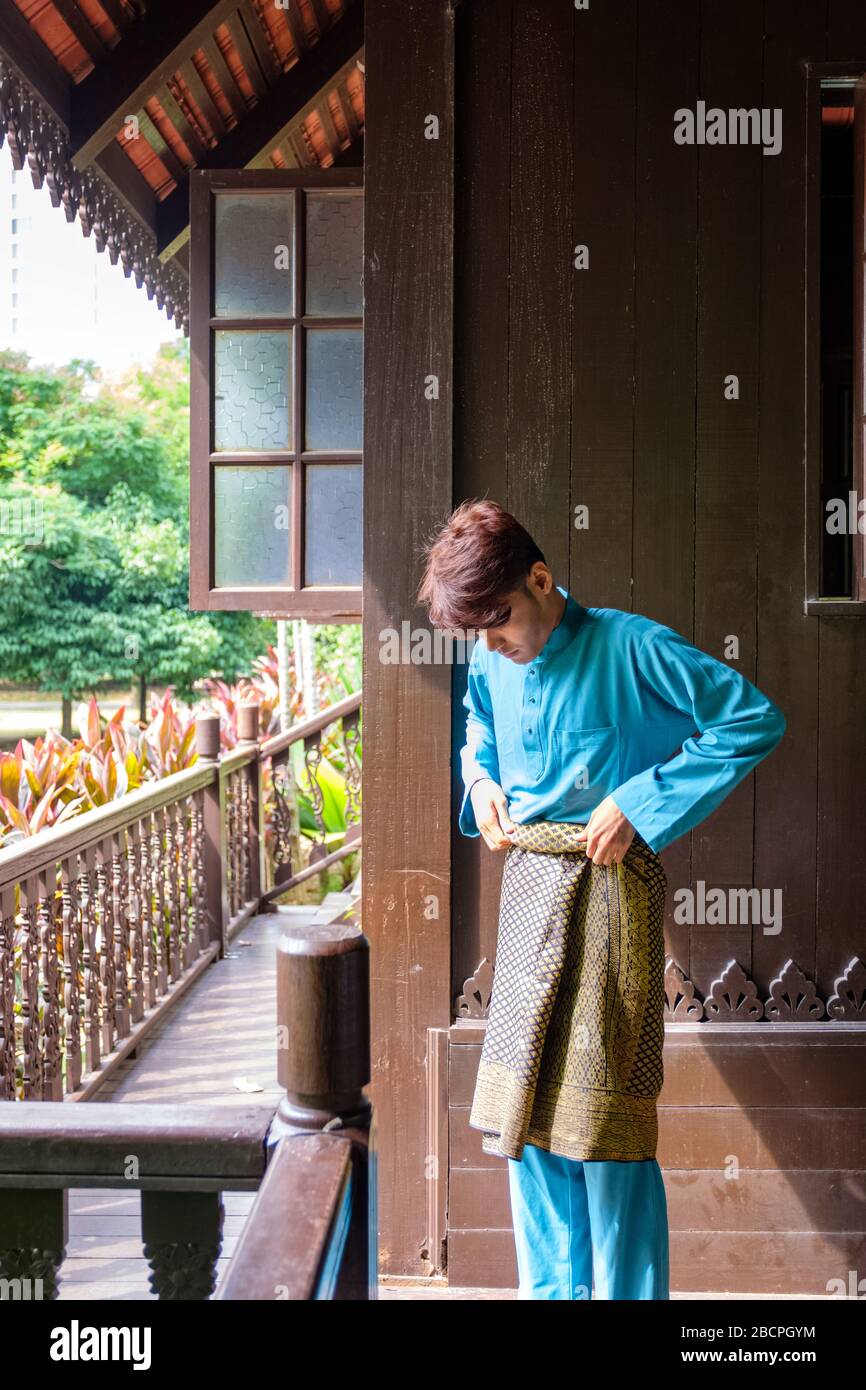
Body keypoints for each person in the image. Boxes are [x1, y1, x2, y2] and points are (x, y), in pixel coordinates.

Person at [417, 499, 786, 1300]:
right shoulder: (490, 659)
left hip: (612, 897)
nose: (490, 646)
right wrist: (478, 780)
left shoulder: (632, 645)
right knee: (528, 1119)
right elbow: (477, 726)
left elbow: (751, 720)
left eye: (500, 621)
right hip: (527, 897)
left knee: (603, 1126)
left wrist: (640, 803)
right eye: (475, 634)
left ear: (542, 579)